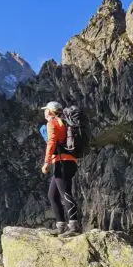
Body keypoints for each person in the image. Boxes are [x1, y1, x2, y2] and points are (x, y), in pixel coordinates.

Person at [40, 101, 81, 237]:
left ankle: (74, 227)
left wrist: (46, 162)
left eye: (46, 110)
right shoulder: (64, 123)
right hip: (68, 162)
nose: (44, 112)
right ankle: (61, 226)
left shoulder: (52, 123)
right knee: (52, 195)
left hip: (61, 162)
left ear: (50, 111)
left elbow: (51, 142)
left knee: (65, 194)